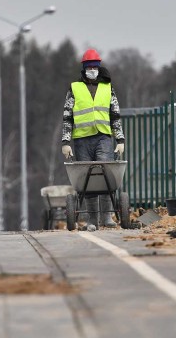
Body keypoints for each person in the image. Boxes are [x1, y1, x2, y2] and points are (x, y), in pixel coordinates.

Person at [61, 48, 125, 229]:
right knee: (87, 179)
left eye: (95, 67)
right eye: (89, 67)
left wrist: (120, 140)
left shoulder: (108, 88)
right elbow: (67, 117)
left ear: (99, 68)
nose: (92, 70)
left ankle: (107, 218)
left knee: (106, 176)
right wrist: (65, 142)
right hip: (81, 140)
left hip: (103, 138)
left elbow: (115, 115)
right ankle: (91, 220)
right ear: (84, 69)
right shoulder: (75, 88)